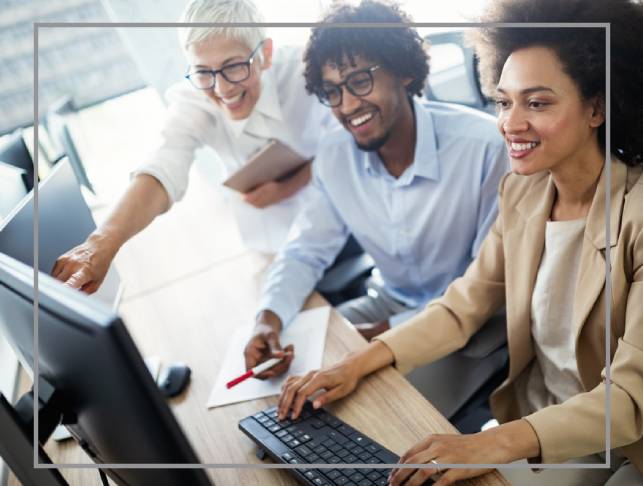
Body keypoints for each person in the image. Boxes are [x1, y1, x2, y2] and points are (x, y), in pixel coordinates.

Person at [277, 0, 643, 484]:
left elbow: (629, 397)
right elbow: (463, 305)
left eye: (537, 103)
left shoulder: (635, 217)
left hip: (603, 440)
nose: (511, 124)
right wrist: (356, 362)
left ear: (596, 107)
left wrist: (489, 442)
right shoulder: (524, 191)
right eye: (504, 100)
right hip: (526, 418)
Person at [244, 0, 508, 386]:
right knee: (286, 376)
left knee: (361, 413)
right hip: (390, 299)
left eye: (360, 81)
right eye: (332, 91)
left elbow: (483, 294)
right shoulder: (335, 153)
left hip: (471, 325)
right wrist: (268, 318)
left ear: (402, 71)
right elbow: (305, 249)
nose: (348, 106)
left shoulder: (485, 150)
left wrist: (378, 338)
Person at [51, 0, 336, 292]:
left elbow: (350, 144)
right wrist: (100, 244)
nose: (223, 89)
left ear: (265, 54)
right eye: (203, 71)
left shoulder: (306, 73)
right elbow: (165, 161)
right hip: (269, 247)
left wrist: (295, 182)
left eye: (234, 66)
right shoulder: (196, 100)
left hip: (336, 231)